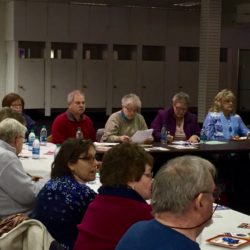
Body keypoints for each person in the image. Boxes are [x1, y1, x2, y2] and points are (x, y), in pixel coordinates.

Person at [116, 155, 217, 250]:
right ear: (201, 202)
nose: (213, 200)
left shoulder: (136, 230)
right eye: (212, 194)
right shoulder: (183, 246)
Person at [74, 143, 153, 250]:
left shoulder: (99, 201)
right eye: (148, 175)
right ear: (131, 176)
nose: (151, 181)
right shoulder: (141, 213)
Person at [31, 139, 98, 250]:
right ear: (71, 164)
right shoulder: (83, 194)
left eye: (95, 157)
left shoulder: (51, 184)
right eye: (88, 159)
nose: (96, 163)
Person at [0, 118, 42, 219]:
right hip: (11, 217)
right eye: (23, 139)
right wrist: (44, 185)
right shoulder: (7, 157)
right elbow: (29, 196)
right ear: (16, 139)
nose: (23, 143)